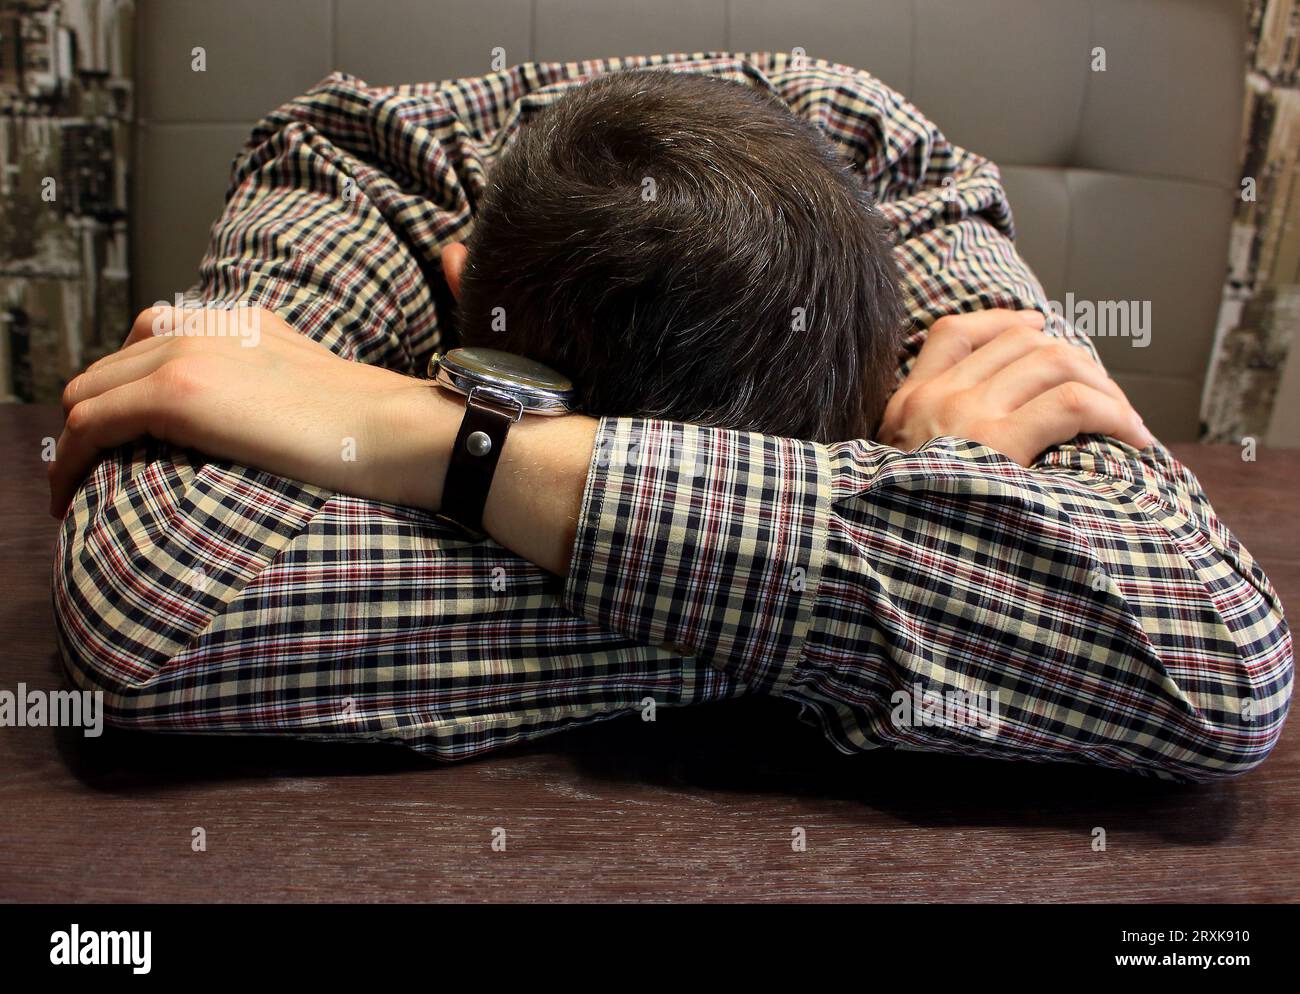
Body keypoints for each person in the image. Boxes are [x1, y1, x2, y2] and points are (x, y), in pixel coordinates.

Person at [49, 54, 1291, 780]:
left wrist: (449, 447)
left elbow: (1216, 661)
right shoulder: (344, 180)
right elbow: (160, 602)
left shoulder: (880, 172)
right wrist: (923, 541)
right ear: (458, 289)